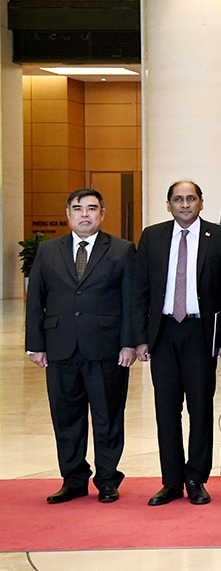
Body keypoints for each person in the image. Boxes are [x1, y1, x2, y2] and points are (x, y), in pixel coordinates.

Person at [25, 188, 136, 504]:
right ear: (68, 213)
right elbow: (37, 301)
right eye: (78, 208)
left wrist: (129, 343)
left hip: (107, 348)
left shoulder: (121, 250)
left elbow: (132, 301)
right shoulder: (48, 251)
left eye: (91, 208)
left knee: (108, 417)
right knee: (66, 416)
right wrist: (35, 344)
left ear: (103, 213)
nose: (84, 214)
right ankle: (73, 479)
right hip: (60, 348)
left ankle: (107, 479)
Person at [132, 181, 221, 506]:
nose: (185, 204)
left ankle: (196, 478)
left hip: (200, 333)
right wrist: (141, 339)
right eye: (178, 199)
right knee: (166, 409)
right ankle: (171, 481)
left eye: (191, 198)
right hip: (162, 333)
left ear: (201, 203)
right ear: (168, 204)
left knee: (201, 408)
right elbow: (140, 290)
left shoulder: (220, 238)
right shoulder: (153, 236)